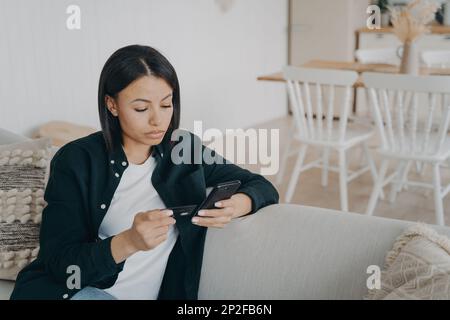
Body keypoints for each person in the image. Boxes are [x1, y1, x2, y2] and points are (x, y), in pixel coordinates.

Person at [10, 45, 279, 300]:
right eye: (141, 108)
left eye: (166, 104)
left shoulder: (182, 149)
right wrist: (129, 241)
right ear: (112, 105)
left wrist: (237, 205)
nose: (158, 120)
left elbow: (260, 185)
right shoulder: (77, 160)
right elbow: (61, 264)